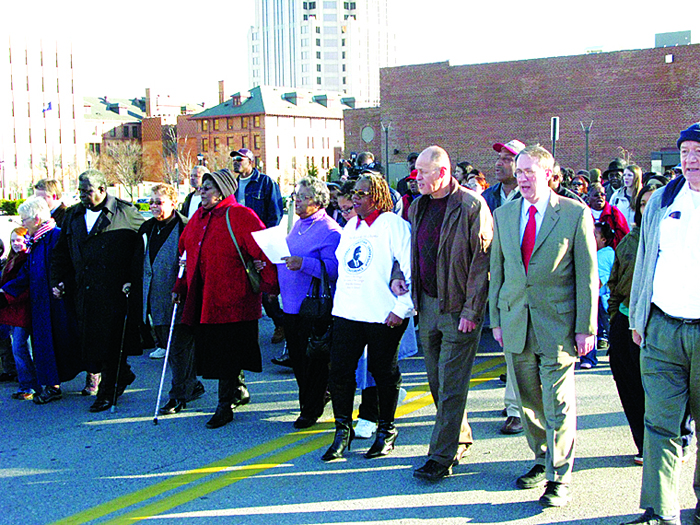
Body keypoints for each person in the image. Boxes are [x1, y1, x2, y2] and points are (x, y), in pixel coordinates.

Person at [489, 144, 597, 508]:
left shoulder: (573, 214)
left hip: (559, 325)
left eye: (529, 173)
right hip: (516, 320)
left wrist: (587, 327)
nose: (522, 179)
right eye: (519, 173)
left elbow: (587, 276)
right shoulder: (504, 215)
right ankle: (540, 457)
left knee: (558, 402)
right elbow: (498, 273)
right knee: (528, 399)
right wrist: (497, 320)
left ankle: (559, 477)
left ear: (549, 175)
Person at [392, 146, 493, 481]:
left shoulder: (471, 205)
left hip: (458, 308)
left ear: (443, 172)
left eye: (422, 172)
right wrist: (398, 275)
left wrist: (471, 310)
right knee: (437, 382)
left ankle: (440, 456)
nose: (415, 177)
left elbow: (482, 263)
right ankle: (459, 436)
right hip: (429, 305)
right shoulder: (418, 206)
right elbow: (409, 250)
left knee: (451, 383)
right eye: (415, 172)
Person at [625, 123, 700, 525]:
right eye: (686, 152)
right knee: (659, 423)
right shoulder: (664, 200)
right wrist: (640, 317)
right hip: (662, 329)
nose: (691, 160)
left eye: (698, 151)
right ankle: (660, 509)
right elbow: (644, 264)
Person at [173, 169, 278, 429]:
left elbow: (264, 249)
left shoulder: (240, 215)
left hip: (233, 298)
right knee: (218, 349)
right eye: (201, 187)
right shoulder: (198, 217)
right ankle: (238, 390)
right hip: (204, 296)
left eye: (207, 187)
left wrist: (272, 284)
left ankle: (224, 405)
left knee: (227, 352)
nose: (202, 191)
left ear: (221, 191)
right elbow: (184, 254)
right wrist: (180, 285)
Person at [322, 173, 413, 461]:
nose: (356, 197)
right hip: (348, 312)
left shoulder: (393, 225)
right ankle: (342, 430)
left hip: (383, 314)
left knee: (383, 372)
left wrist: (402, 308)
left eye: (363, 193)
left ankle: (386, 429)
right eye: (355, 193)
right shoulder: (351, 227)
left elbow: (409, 269)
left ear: (378, 196)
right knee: (340, 371)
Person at [607, 182, 693, 468]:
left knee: (666, 392)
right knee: (629, 384)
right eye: (642, 204)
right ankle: (644, 444)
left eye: (650, 203)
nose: (647, 208)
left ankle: (680, 435)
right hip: (628, 319)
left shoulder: (676, 233)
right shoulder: (629, 241)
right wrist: (615, 318)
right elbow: (616, 283)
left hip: (663, 321)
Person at [51, 169, 144, 412]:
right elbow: (61, 252)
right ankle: (122, 375)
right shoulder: (73, 215)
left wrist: (133, 280)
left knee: (111, 343)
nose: (82, 195)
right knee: (90, 344)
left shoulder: (126, 213)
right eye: (80, 191)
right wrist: (58, 280)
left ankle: (107, 393)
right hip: (83, 292)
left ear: (102, 190)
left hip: (114, 292)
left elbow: (142, 247)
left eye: (88, 191)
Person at [273, 177, 341, 429]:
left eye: (303, 196)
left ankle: (310, 409)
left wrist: (305, 264)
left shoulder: (330, 229)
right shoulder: (297, 225)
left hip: (312, 308)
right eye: (295, 195)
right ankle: (316, 397)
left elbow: (335, 269)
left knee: (312, 362)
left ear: (319, 200)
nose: (296, 200)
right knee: (299, 360)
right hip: (290, 306)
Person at [3, 198, 81, 404]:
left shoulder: (55, 237)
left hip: (56, 303)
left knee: (58, 343)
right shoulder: (37, 241)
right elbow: (27, 274)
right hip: (41, 303)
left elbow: (69, 265)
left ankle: (55, 384)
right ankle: (50, 384)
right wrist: (5, 292)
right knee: (44, 345)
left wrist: (63, 285)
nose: (22, 223)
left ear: (37, 219)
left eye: (24, 219)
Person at [140, 184, 204, 415]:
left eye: (160, 202)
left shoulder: (185, 226)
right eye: (152, 202)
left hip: (180, 296)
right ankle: (192, 384)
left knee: (178, 348)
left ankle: (178, 395)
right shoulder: (146, 228)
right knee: (169, 345)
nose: (155, 206)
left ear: (173, 203)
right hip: (155, 298)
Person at [481, 138, 526, 436]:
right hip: (496, 279)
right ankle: (517, 403)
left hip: (525, 281)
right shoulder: (486, 197)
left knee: (520, 350)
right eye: (498, 158)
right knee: (510, 346)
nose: (500, 163)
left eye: (508, 159)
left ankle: (516, 408)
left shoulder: (534, 196)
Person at [231, 148, 285, 346]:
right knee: (242, 285)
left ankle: (280, 322)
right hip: (239, 242)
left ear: (251, 161)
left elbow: (275, 213)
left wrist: (266, 241)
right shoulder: (233, 184)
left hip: (261, 241)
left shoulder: (265, 182)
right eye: (234, 160)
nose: (236, 162)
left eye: (240, 159)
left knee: (265, 287)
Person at [0, 227, 31, 398]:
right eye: (13, 241)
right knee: (17, 347)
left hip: (21, 309)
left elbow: (24, 286)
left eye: (19, 240)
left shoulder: (26, 259)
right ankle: (25, 384)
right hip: (12, 310)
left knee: (19, 347)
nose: (16, 244)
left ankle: (28, 386)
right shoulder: (13, 259)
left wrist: (6, 294)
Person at [579, 222, 614, 368]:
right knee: (589, 328)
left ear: (604, 239)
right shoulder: (592, 253)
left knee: (608, 328)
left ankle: (614, 355)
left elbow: (602, 279)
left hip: (601, 298)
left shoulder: (605, 254)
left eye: (595, 236)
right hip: (594, 297)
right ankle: (588, 358)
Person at [588, 182, 630, 248]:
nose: (600, 197)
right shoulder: (584, 213)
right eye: (596, 195)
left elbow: (624, 235)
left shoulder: (614, 212)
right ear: (588, 198)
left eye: (602, 194)